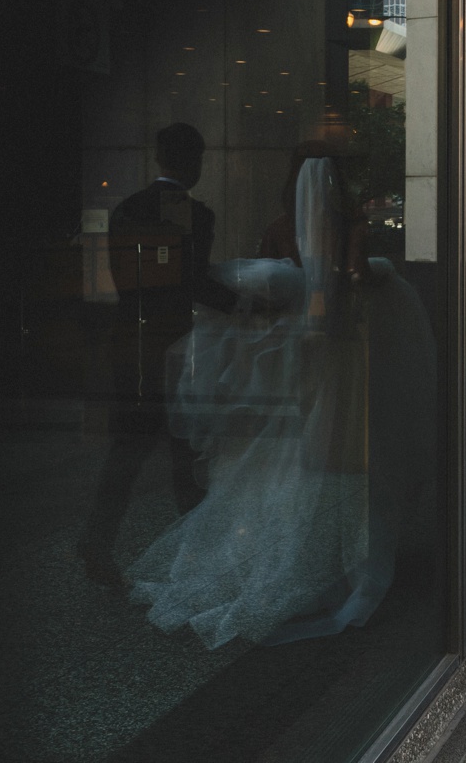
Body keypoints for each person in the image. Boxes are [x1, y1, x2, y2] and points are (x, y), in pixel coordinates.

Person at [127, 149, 437, 649]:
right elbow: (352, 278)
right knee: (343, 451)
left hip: (296, 350)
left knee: (292, 453)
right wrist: (380, 271)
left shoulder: (279, 225)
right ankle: (337, 552)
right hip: (339, 351)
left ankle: (290, 547)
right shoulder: (349, 224)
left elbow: (274, 282)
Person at [79, 122, 237, 589]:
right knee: (182, 453)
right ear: (195, 162)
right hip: (172, 345)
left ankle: (98, 544)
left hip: (130, 341)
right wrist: (244, 305)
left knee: (128, 452)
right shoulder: (196, 214)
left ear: (158, 158)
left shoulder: (125, 209)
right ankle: (198, 559)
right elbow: (194, 282)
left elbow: (115, 277)